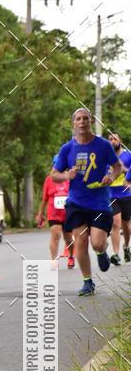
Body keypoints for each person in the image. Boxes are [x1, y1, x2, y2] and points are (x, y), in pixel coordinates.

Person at [52, 108, 122, 296]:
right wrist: (67, 174)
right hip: (76, 202)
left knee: (98, 242)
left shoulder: (103, 146)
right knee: (80, 241)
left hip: (99, 202)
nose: (82, 122)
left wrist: (111, 176)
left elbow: (118, 167)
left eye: (85, 118)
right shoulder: (67, 148)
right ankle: (87, 282)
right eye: (78, 119)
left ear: (91, 121)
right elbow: (54, 175)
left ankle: (101, 252)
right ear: (73, 123)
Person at [36, 157, 74, 268]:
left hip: (68, 213)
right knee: (55, 235)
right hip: (53, 213)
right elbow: (45, 198)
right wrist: (40, 213)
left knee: (68, 238)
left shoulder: (70, 178)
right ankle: (53, 260)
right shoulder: (49, 179)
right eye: (55, 164)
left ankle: (71, 256)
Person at [107, 132, 131, 264]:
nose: (112, 141)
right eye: (110, 139)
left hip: (127, 193)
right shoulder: (106, 158)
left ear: (120, 141)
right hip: (112, 194)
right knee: (115, 223)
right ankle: (115, 254)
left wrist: (124, 169)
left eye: (114, 138)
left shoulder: (128, 155)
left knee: (126, 225)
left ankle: (126, 246)